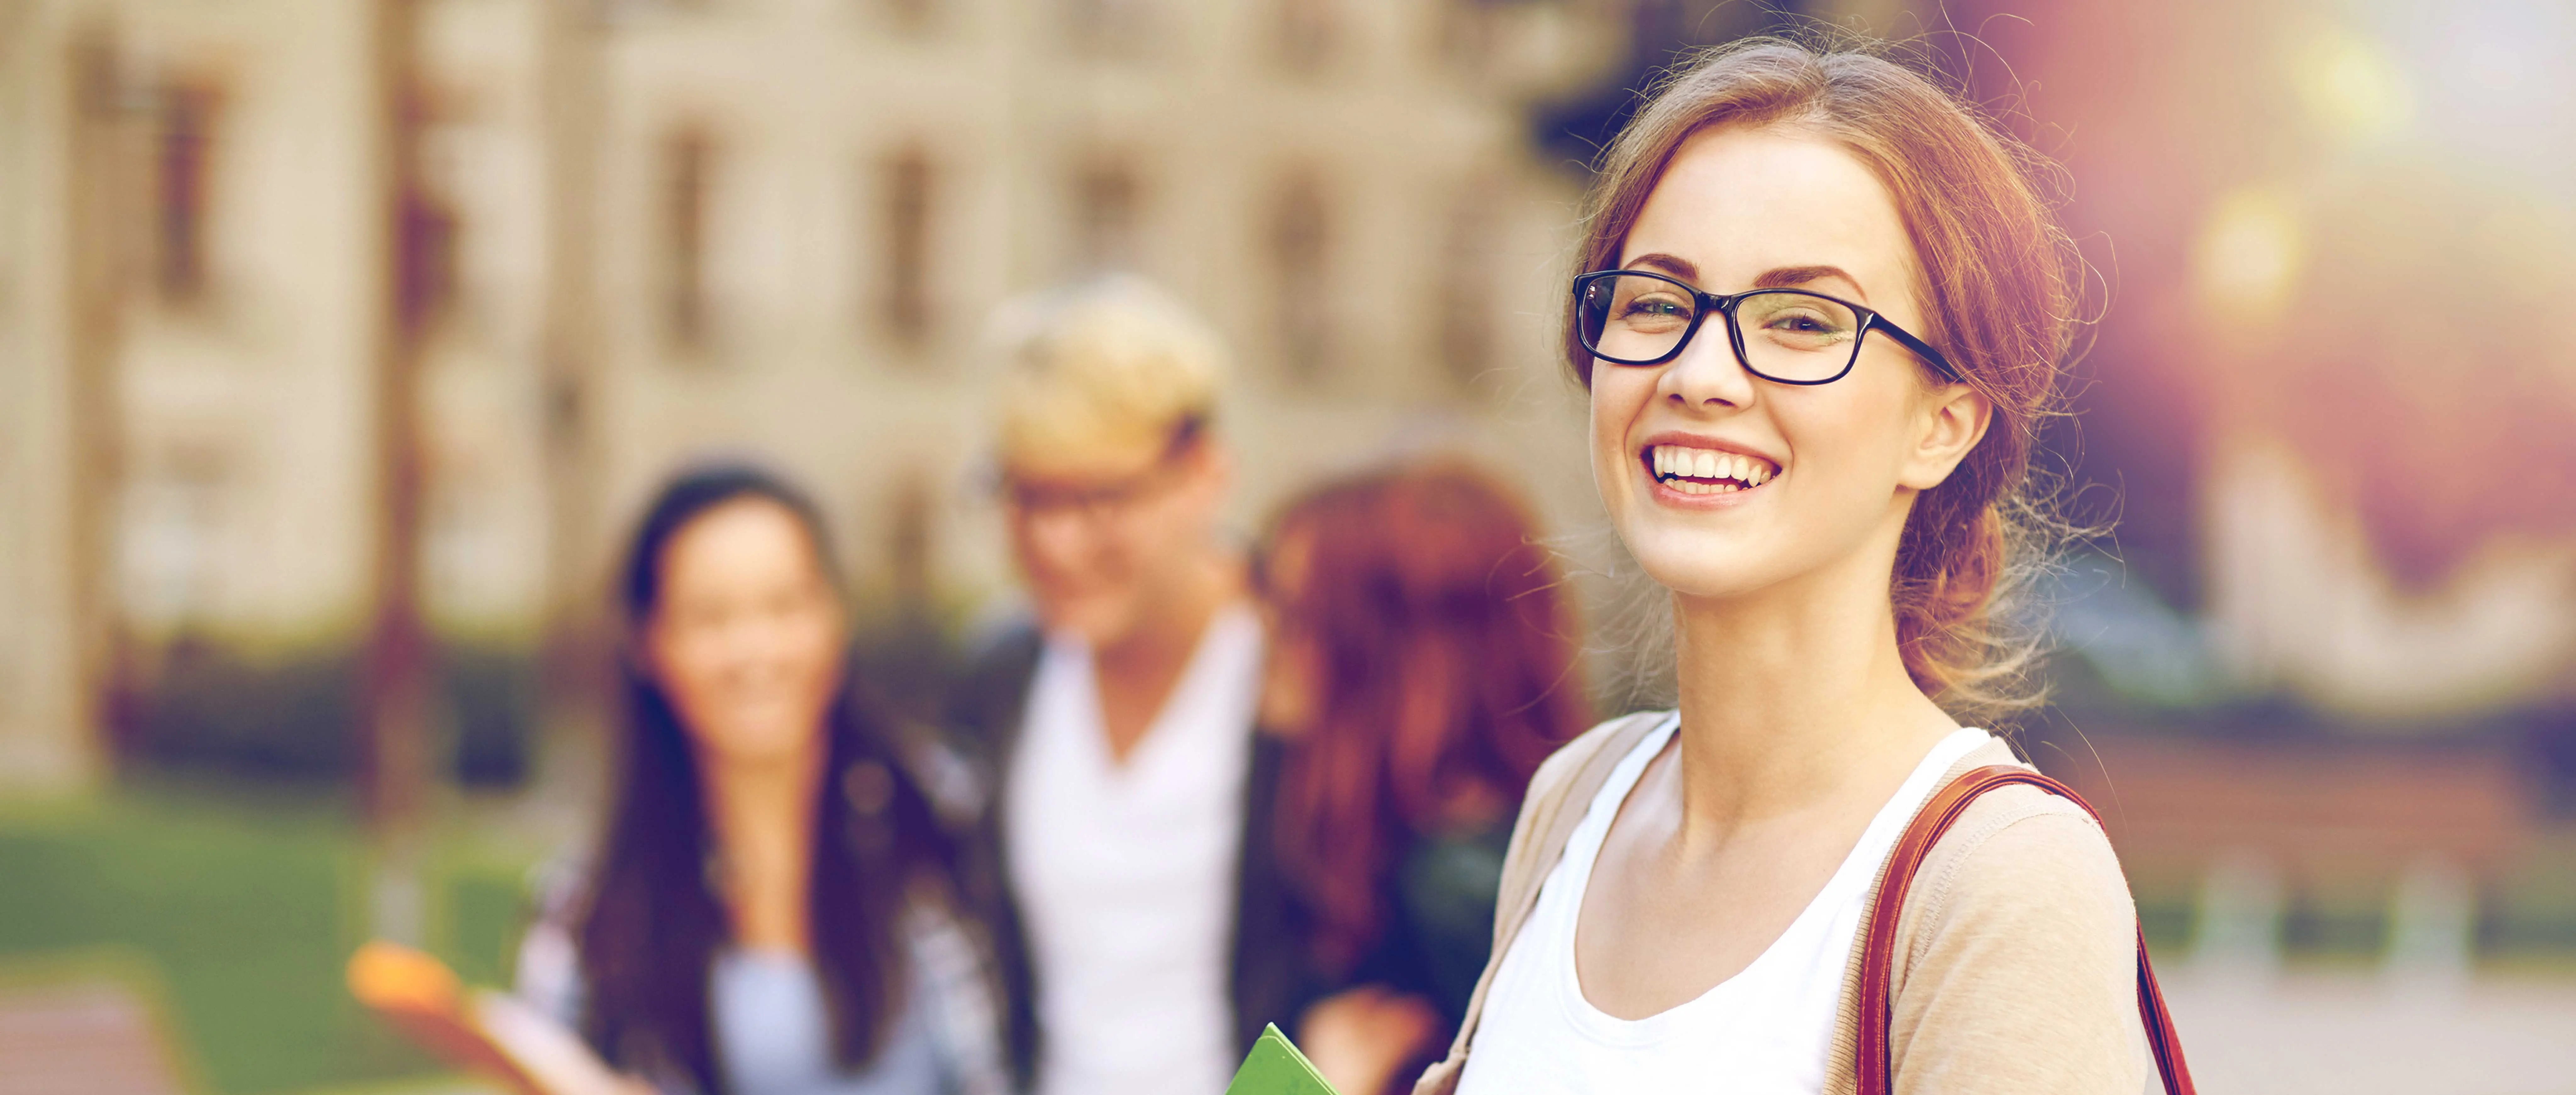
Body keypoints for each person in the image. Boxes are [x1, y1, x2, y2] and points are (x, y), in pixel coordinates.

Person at [1420, 39, 2153, 1095]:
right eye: (1655, 303)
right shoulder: (1575, 800)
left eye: (1803, 321)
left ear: (1941, 426)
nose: (1699, 372)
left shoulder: (2001, 879)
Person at [515, 464, 1012, 1095]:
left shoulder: (942, 832)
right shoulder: (592, 915)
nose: (755, 650)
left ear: (836, 617)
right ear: (648, 643)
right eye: (710, 617)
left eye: (785, 606)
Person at [942, 279, 1266, 1095]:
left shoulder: (1302, 666)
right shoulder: (1003, 676)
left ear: (1203, 473)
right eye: (1027, 497)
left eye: (1100, 498)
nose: (1055, 543)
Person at [1248, 463, 1590, 1095]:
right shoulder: (1379, 843)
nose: (1261, 633)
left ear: (1392, 649)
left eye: (1294, 614)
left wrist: (1303, 1089)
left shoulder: (1463, 893)